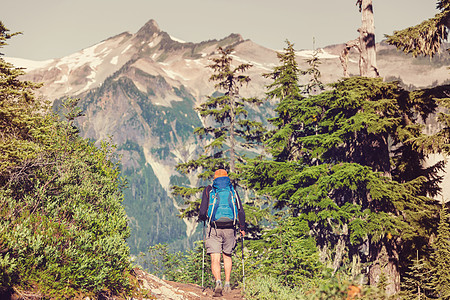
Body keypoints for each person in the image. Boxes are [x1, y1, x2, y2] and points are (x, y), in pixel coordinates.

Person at [199, 169, 246, 297]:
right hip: (230, 227)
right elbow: (240, 211)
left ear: (214, 178)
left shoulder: (209, 189)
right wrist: (242, 227)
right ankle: (227, 283)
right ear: (227, 178)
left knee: (215, 257)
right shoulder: (232, 191)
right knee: (227, 255)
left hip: (214, 227)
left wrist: (202, 218)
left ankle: (218, 282)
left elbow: (203, 210)